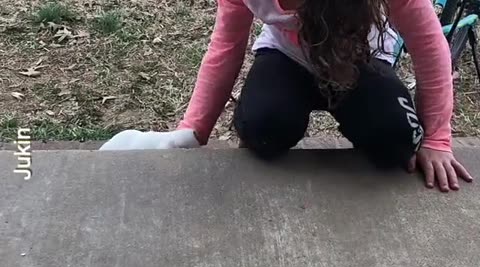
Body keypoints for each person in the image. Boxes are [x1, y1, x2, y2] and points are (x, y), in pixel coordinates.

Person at [100, 0, 473, 192]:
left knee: (397, 143)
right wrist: (192, 130)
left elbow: (429, 47)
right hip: (287, 56)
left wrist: (437, 138)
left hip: (359, 56)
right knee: (265, 128)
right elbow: (226, 46)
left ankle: (364, 115)